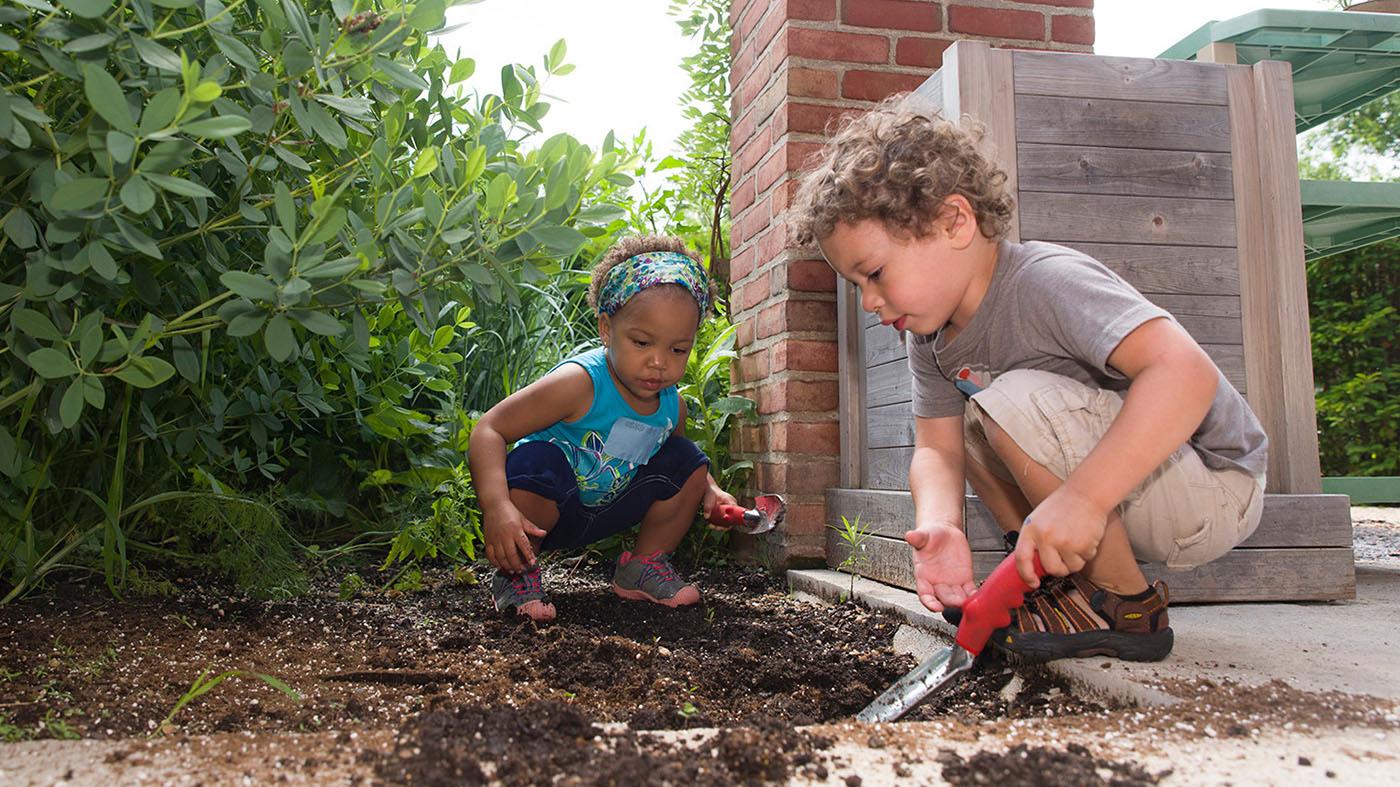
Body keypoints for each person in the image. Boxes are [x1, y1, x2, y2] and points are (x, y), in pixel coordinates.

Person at [789, 97, 1268, 662]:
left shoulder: (1046, 281)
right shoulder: (930, 338)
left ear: (954, 222)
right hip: (1132, 496)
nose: (870, 302)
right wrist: (941, 524)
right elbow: (937, 450)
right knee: (972, 420)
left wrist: (1084, 502)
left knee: (1005, 403)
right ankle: (1054, 584)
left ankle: (1123, 604)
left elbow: (1185, 372)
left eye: (874, 274)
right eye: (857, 286)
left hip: (1213, 485)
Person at [468, 235, 738, 622]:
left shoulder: (669, 403)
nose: (659, 363)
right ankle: (517, 574)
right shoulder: (579, 383)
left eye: (678, 349)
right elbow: (489, 429)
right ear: (607, 329)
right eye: (642, 342)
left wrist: (711, 492)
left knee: (689, 459)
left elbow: (680, 468)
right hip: (542, 513)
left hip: (608, 508)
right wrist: (496, 508)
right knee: (535, 462)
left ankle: (641, 568)